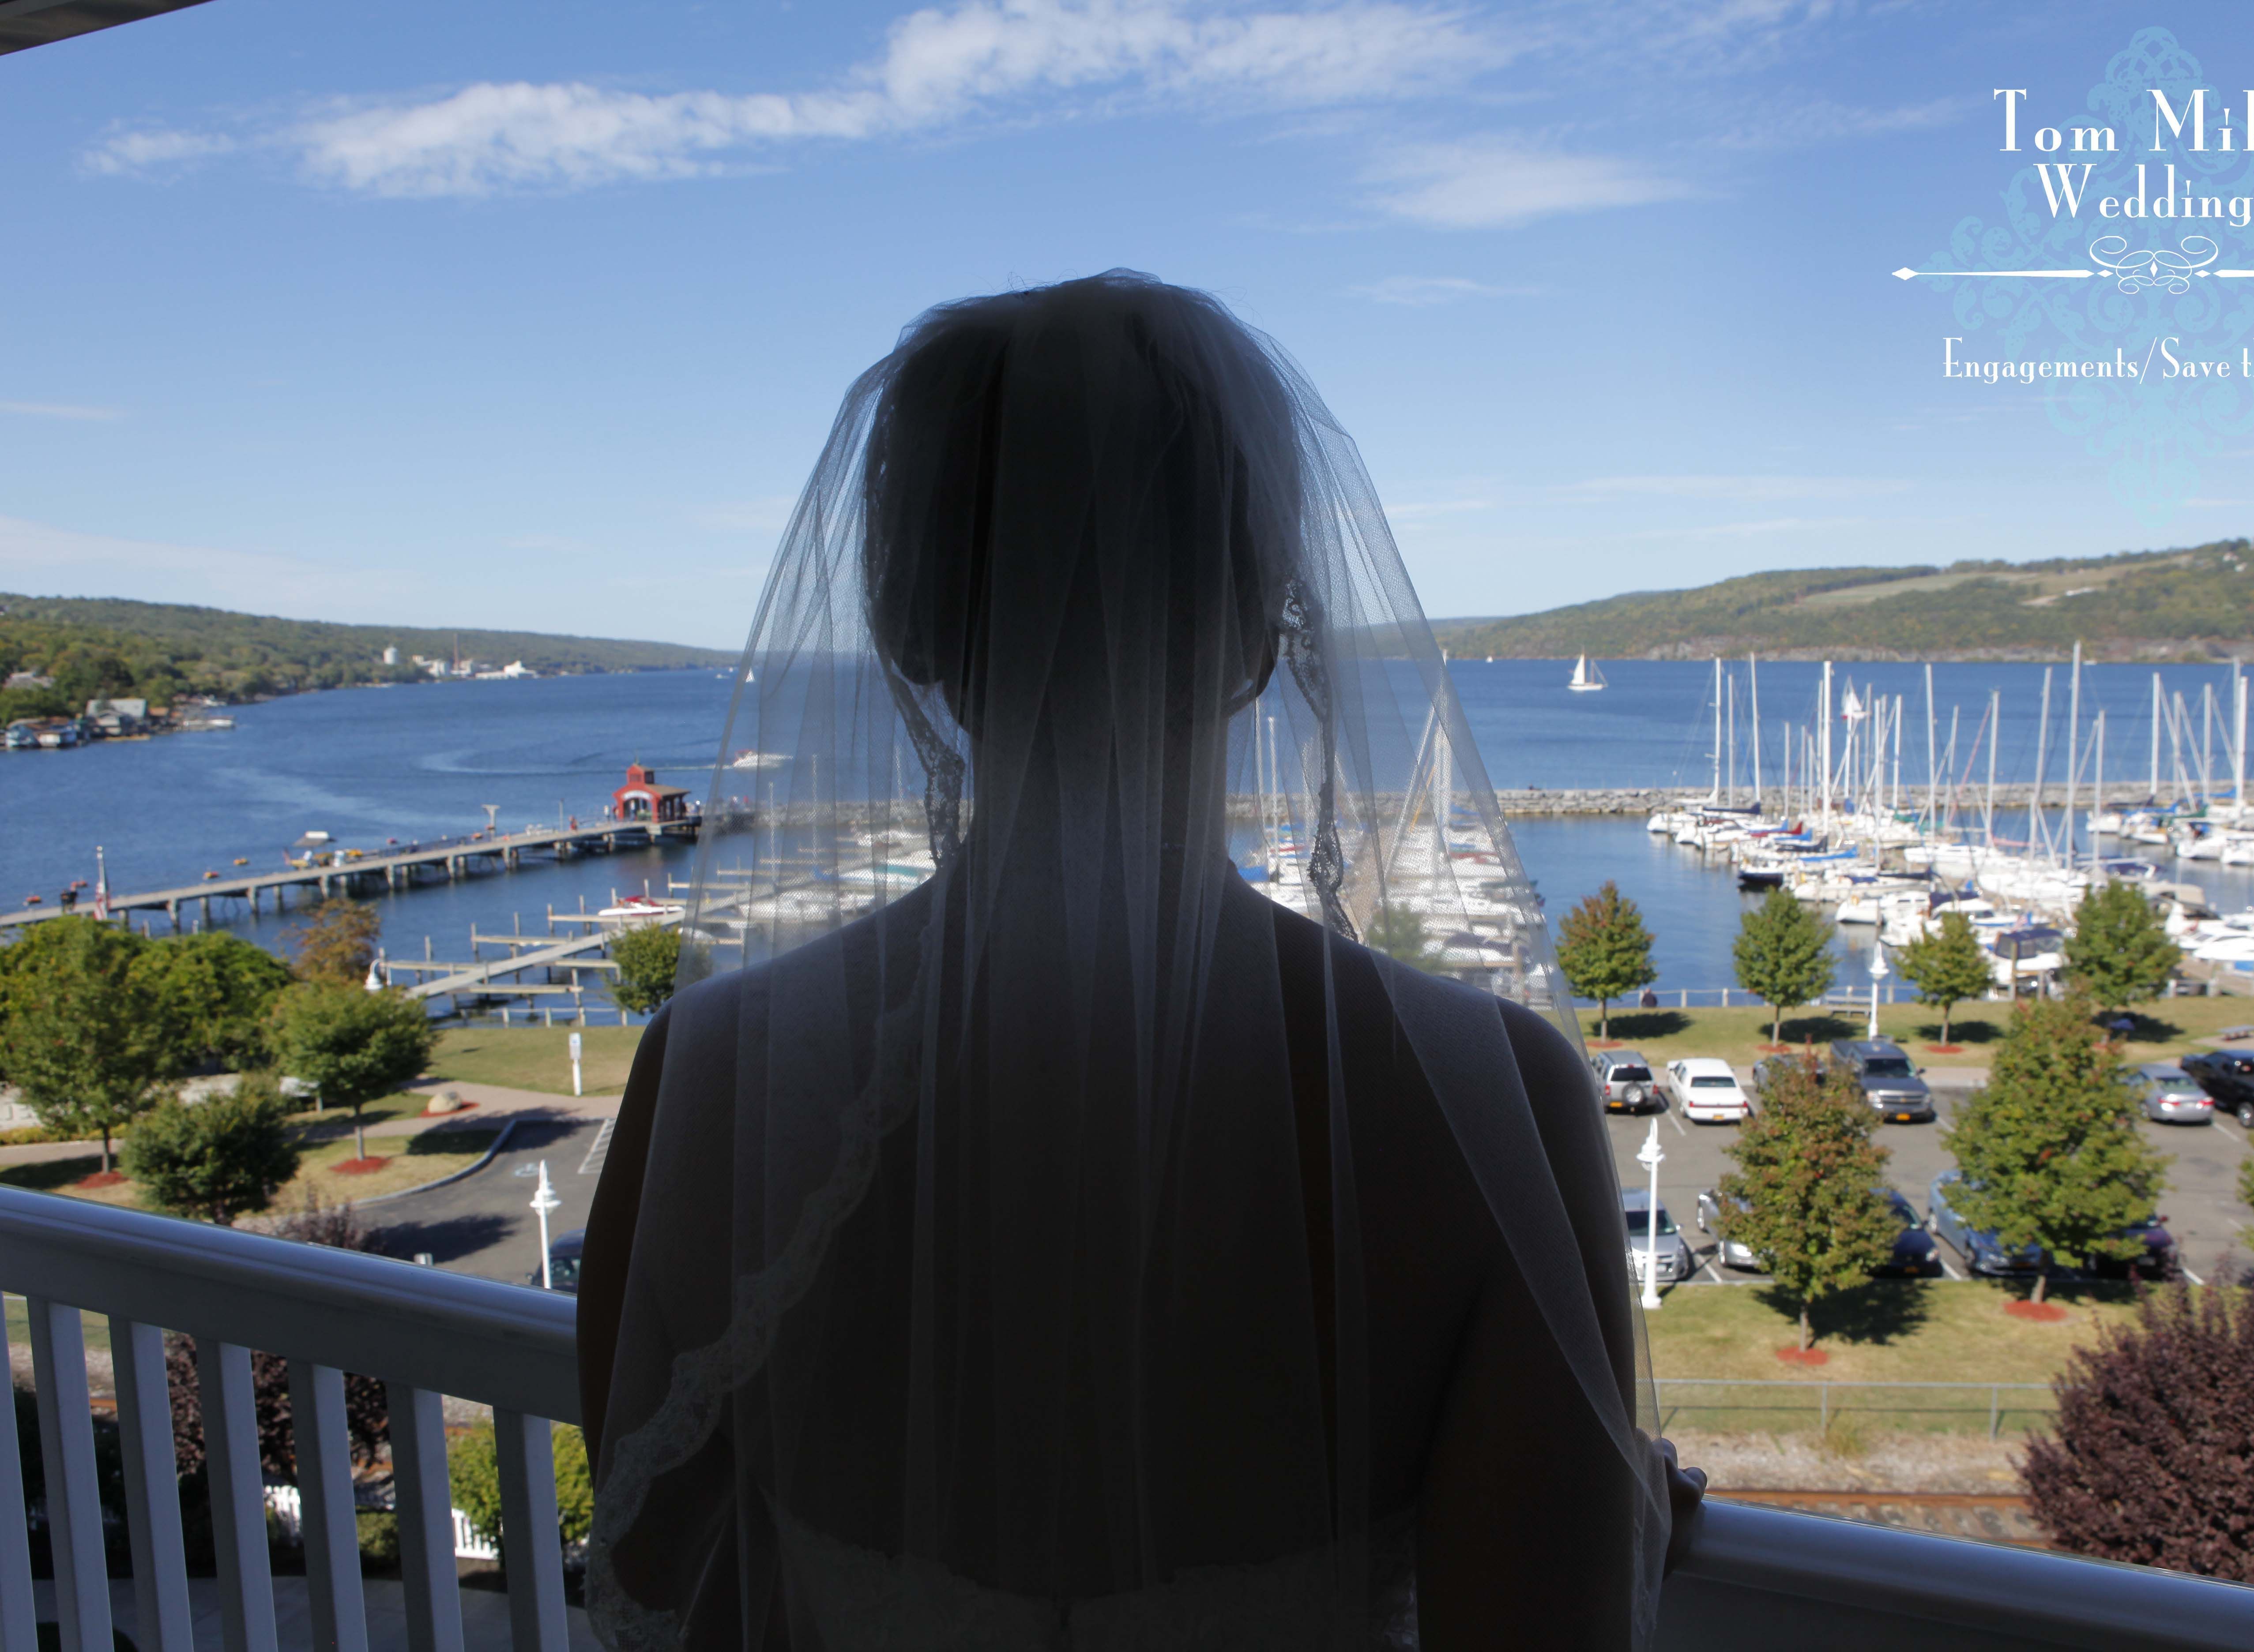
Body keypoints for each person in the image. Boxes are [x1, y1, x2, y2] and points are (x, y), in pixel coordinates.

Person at [578, 271, 1699, 1649]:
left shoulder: (707, 1083)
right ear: (1260, 632)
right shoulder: (1491, 1103)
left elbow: (668, 1593)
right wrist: (1620, 1504)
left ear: (914, 625)